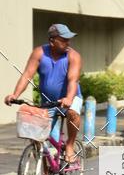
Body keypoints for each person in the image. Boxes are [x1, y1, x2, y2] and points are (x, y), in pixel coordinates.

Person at [4, 23, 83, 166]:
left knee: (72, 113)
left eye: (69, 39)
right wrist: (15, 95)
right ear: (52, 41)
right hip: (48, 102)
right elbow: (27, 75)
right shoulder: (39, 53)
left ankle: (70, 145)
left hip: (70, 98)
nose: (68, 43)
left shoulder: (73, 56)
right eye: (64, 40)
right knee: (36, 134)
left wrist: (69, 98)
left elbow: (73, 80)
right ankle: (45, 170)